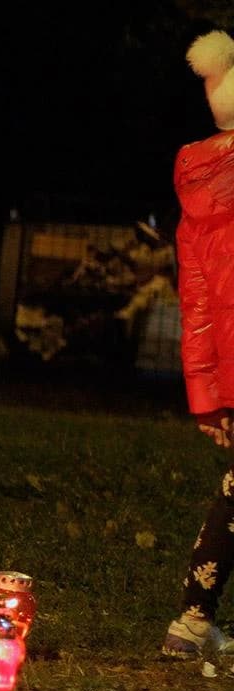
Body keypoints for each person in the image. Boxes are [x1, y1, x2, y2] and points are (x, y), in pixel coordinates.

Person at [162, 29, 234, 658]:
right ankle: (191, 618)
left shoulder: (199, 186)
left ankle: (192, 617)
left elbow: (198, 295)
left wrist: (210, 389)